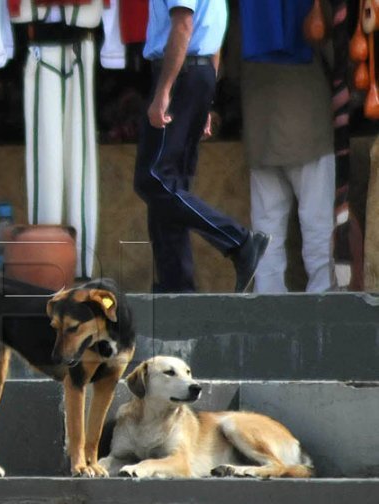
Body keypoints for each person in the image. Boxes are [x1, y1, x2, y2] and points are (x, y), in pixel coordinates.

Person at [133, 0, 269, 293]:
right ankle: (177, 287)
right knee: (171, 186)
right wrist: (205, 101)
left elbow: (183, 24)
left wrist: (164, 91)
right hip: (197, 73)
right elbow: (213, 37)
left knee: (153, 179)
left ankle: (239, 241)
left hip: (181, 75)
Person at [239, 0, 335, 293]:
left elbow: (229, 66)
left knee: (266, 239)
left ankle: (269, 323)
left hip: (261, 130)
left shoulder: (246, 11)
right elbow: (331, 45)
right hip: (310, 131)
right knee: (318, 234)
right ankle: (324, 314)